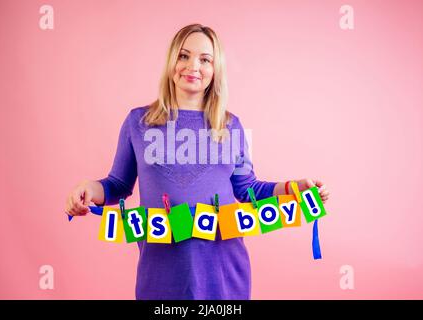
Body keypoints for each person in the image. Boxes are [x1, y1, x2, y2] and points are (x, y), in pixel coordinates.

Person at [65, 23, 330, 300]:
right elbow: (117, 184)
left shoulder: (231, 126)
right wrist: (88, 189)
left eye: (205, 60)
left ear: (215, 70)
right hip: (161, 273)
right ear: (172, 61)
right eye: (184, 56)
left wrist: (294, 187)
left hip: (224, 273)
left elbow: (248, 189)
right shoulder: (138, 122)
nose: (193, 66)